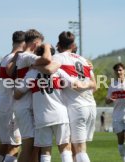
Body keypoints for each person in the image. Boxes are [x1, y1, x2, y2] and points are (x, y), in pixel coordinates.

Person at [38, 31, 97, 162]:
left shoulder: (58, 58)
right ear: (73, 45)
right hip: (91, 105)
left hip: (76, 106)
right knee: (78, 148)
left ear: (58, 44)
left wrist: (34, 65)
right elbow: (95, 86)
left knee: (80, 149)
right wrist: (83, 85)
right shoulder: (84, 60)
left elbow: (49, 69)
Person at [12, 29, 52, 162]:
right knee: (28, 147)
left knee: (35, 146)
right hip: (24, 107)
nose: (41, 47)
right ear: (35, 44)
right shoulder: (27, 56)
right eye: (40, 45)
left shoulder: (23, 57)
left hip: (25, 105)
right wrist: (47, 47)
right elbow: (47, 59)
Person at [0, 30, 25, 162]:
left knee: (5, 144)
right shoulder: (17, 59)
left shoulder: (5, 57)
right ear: (24, 43)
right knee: (15, 146)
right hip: (9, 107)